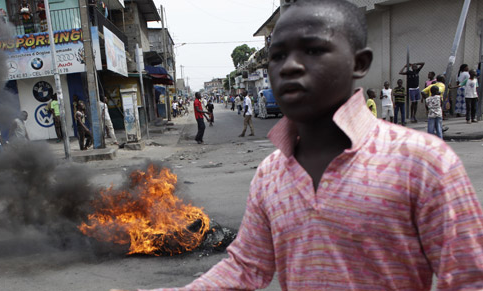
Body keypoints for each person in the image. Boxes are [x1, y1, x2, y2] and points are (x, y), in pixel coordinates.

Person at [130, 1, 483, 289]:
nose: (290, 66)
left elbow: (469, 277)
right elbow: (246, 267)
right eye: (278, 55)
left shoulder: (423, 161)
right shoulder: (270, 174)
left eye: (314, 49)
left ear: (360, 62)